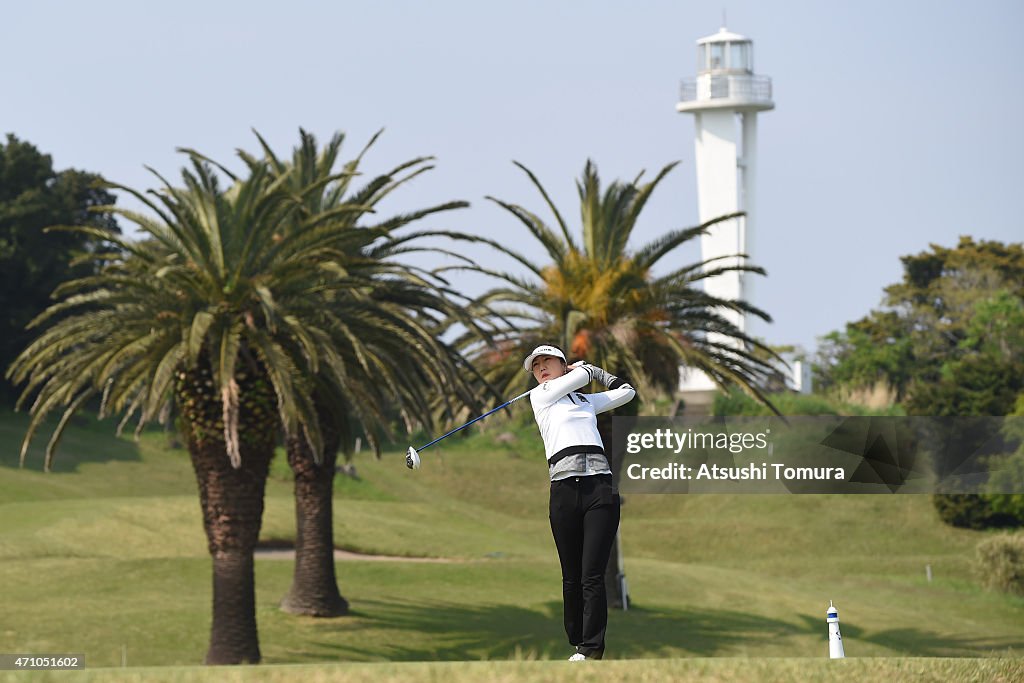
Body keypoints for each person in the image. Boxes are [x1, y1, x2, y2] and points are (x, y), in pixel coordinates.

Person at [523, 343, 636, 661]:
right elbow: (582, 374)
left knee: (592, 574)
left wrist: (597, 372)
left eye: (549, 361)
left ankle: (591, 648)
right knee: (571, 576)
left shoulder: (586, 401)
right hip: (563, 492)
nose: (542, 368)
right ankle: (577, 639)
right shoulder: (540, 397)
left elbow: (627, 392)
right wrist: (583, 369)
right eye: (536, 365)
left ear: (562, 365)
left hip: (600, 489)